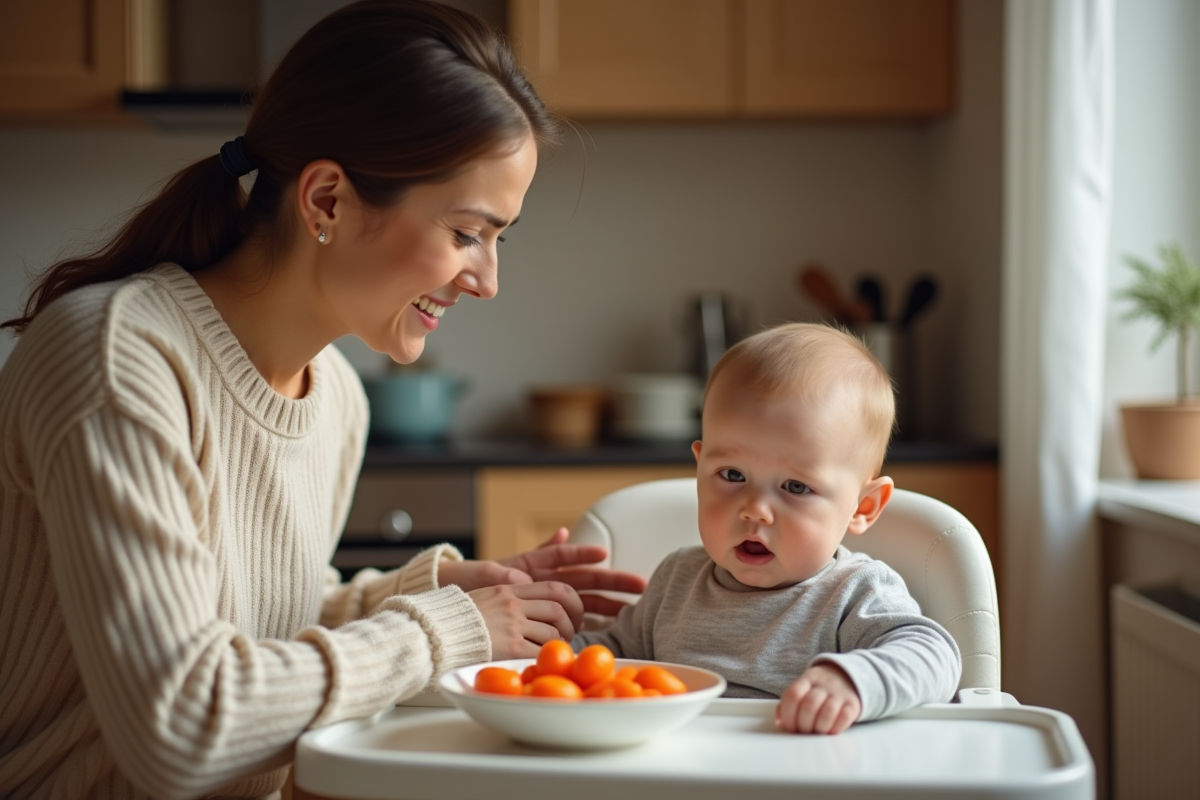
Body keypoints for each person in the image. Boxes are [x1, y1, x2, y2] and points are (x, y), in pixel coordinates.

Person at [0, 2, 647, 797]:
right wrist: (445, 631)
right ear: (328, 201)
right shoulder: (117, 357)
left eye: (498, 238)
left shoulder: (337, 397)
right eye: (466, 232)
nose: (487, 280)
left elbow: (262, 625)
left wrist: (447, 595)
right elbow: (182, 725)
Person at [573, 322, 962, 735]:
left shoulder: (855, 592)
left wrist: (853, 681)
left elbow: (934, 656)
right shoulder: (676, 582)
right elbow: (613, 655)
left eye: (795, 487)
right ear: (700, 467)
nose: (755, 510)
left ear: (862, 507)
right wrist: (535, 655)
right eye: (732, 474)